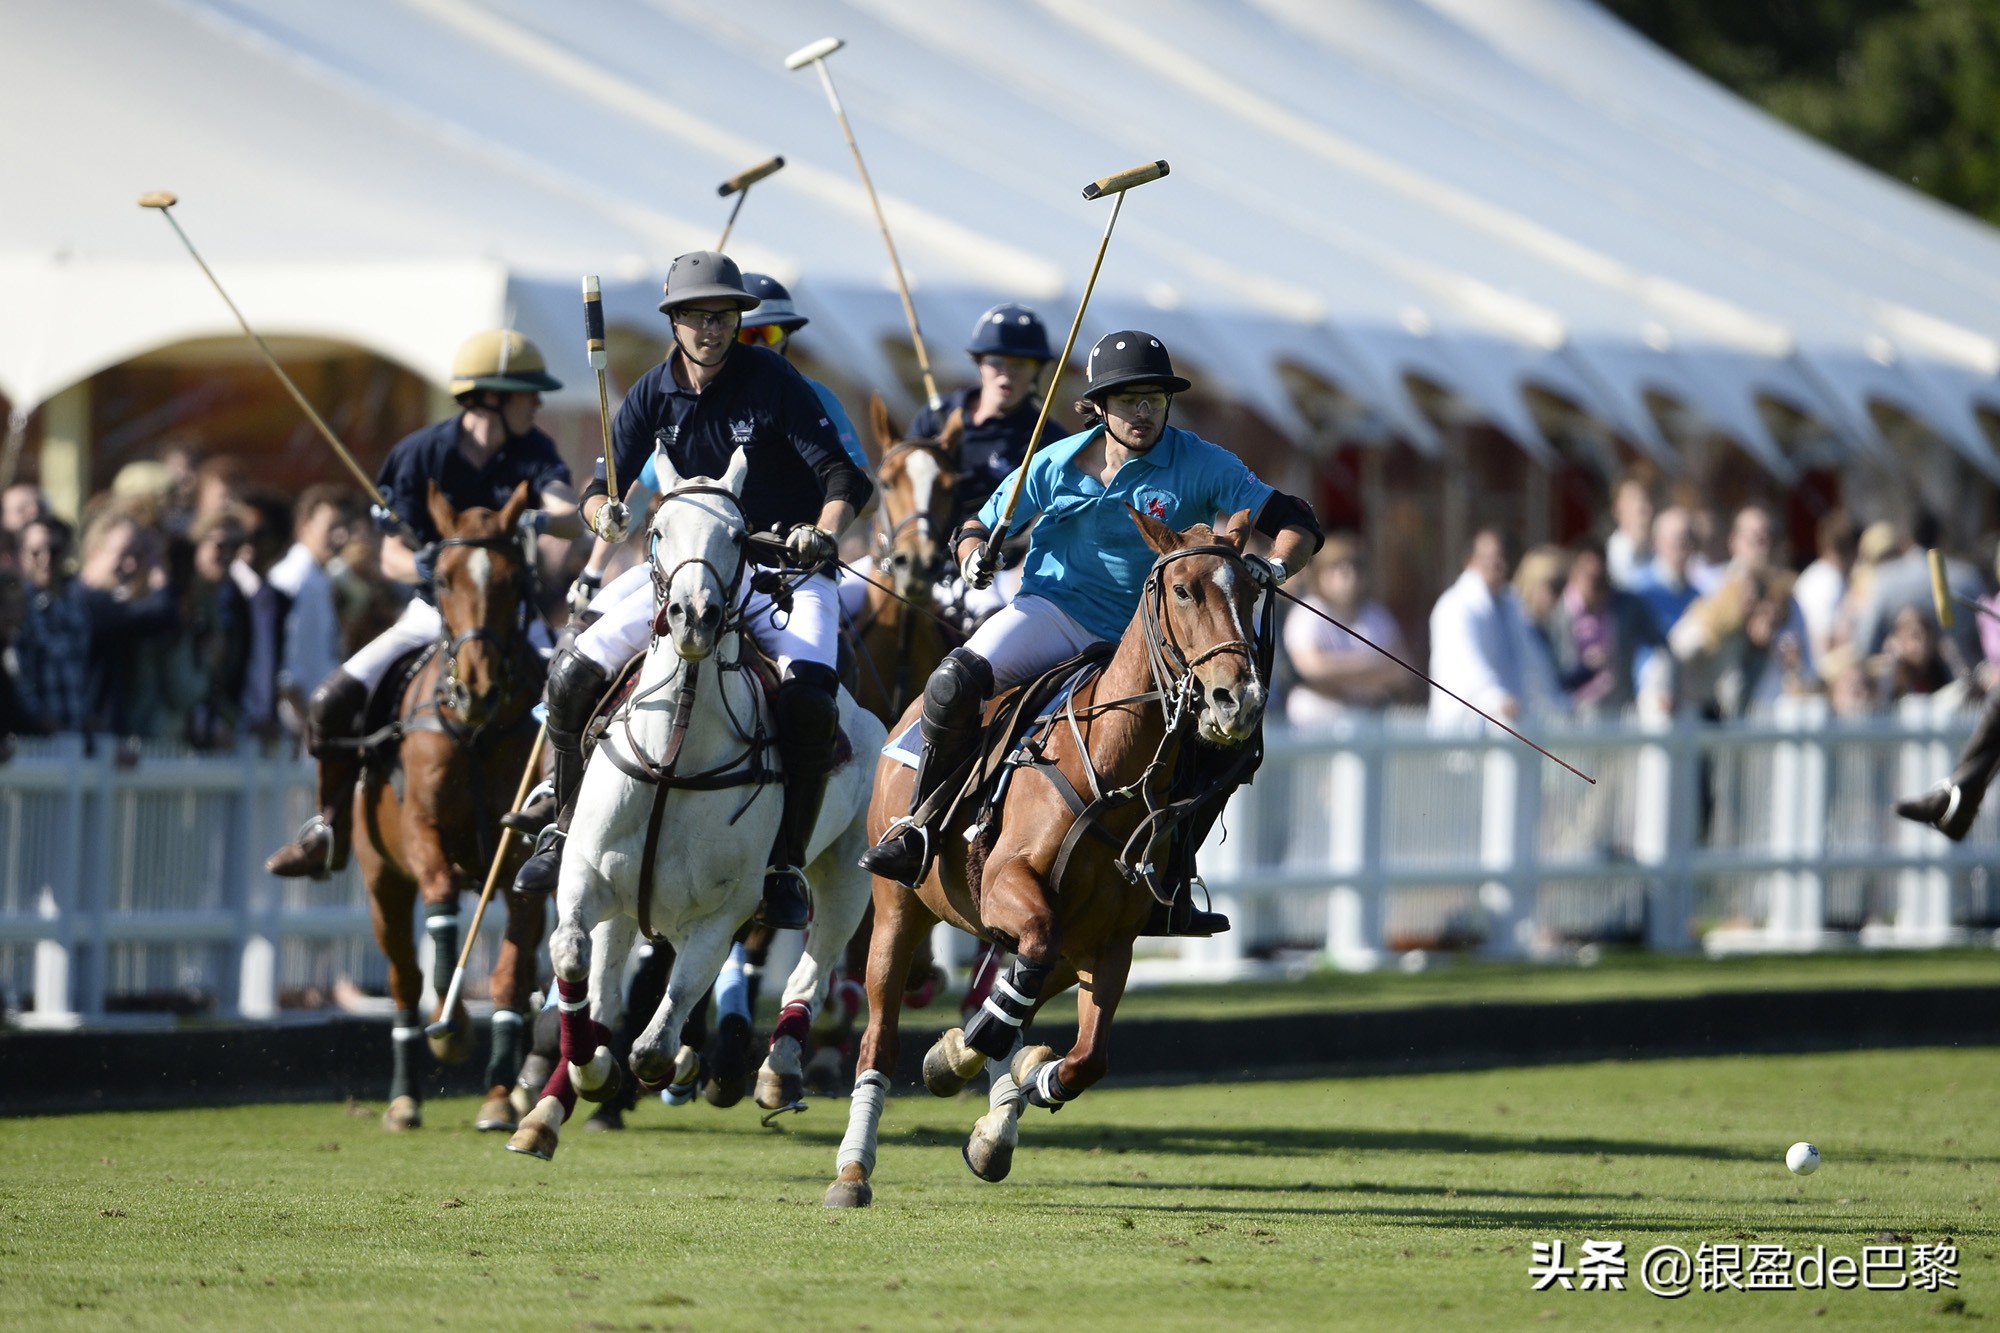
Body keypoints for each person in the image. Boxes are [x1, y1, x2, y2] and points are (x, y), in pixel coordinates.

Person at [857, 330, 1321, 936]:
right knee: (952, 682)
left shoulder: (1204, 463)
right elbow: (976, 524)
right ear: (1098, 407)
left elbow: (1295, 521)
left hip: (1155, 642)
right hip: (1055, 614)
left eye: (1155, 398)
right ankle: (919, 828)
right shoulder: (1053, 463)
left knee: (1228, 744)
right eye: (1128, 399)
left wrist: (1274, 567)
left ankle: (1171, 881)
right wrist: (974, 555)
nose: (1144, 411)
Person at [510, 252, 872, 932]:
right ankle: (563, 826)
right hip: (682, 575)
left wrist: (822, 533)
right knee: (569, 676)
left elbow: (844, 477)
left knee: (809, 701)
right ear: (673, 322)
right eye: (697, 317)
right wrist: (602, 514)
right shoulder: (652, 392)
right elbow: (600, 489)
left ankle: (784, 864)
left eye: (723, 316)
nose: (711, 329)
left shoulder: (773, 380)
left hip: (778, 573)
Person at [265, 329, 580, 879]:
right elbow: (390, 556)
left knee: (575, 695)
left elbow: (569, 513)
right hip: (431, 615)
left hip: (513, 619)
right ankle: (327, 827)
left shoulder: (533, 450)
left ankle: (560, 819)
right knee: (329, 701)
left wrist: (539, 517)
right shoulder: (419, 455)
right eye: (529, 394)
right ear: (493, 397)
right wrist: (426, 565)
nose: (537, 405)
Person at [568, 272, 873, 618]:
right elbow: (635, 492)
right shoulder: (666, 395)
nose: (760, 344)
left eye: (771, 333)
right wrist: (594, 569)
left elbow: (855, 480)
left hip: (785, 572)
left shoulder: (807, 394)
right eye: (750, 334)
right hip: (685, 570)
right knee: (585, 636)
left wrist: (824, 532)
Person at [1281, 534, 1407, 725]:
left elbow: (1401, 671)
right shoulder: (1307, 613)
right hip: (1315, 720)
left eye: (1356, 567)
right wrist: (1372, 665)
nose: (1349, 576)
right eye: (1338, 568)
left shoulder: (1377, 615)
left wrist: (1339, 672)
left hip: (1372, 718)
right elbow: (1312, 668)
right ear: (1321, 574)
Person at [264, 485, 352, 735]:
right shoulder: (295, 580)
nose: (341, 537)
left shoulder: (318, 579)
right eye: (332, 527)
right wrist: (307, 728)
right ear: (303, 526)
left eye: (345, 527)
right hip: (295, 730)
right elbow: (287, 670)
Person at [1550, 543, 1660, 719]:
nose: (1596, 585)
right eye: (1590, 577)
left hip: (1620, 709)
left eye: (1601, 577)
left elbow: (1658, 644)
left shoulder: (1627, 606)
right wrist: (1586, 668)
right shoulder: (1555, 613)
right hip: (1573, 713)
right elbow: (1551, 675)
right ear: (1573, 574)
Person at [11, 516, 92, 734]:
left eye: (54, 551)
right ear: (21, 555)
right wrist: (41, 719)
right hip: (32, 740)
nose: (45, 559)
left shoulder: (77, 607)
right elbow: (16, 678)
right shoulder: (15, 610)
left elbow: (83, 672)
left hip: (74, 735)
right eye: (35, 552)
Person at [1604, 475, 1654, 592]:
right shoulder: (1611, 556)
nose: (1641, 506)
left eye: (1645, 499)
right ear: (1617, 510)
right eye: (1632, 499)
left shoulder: (1660, 552)